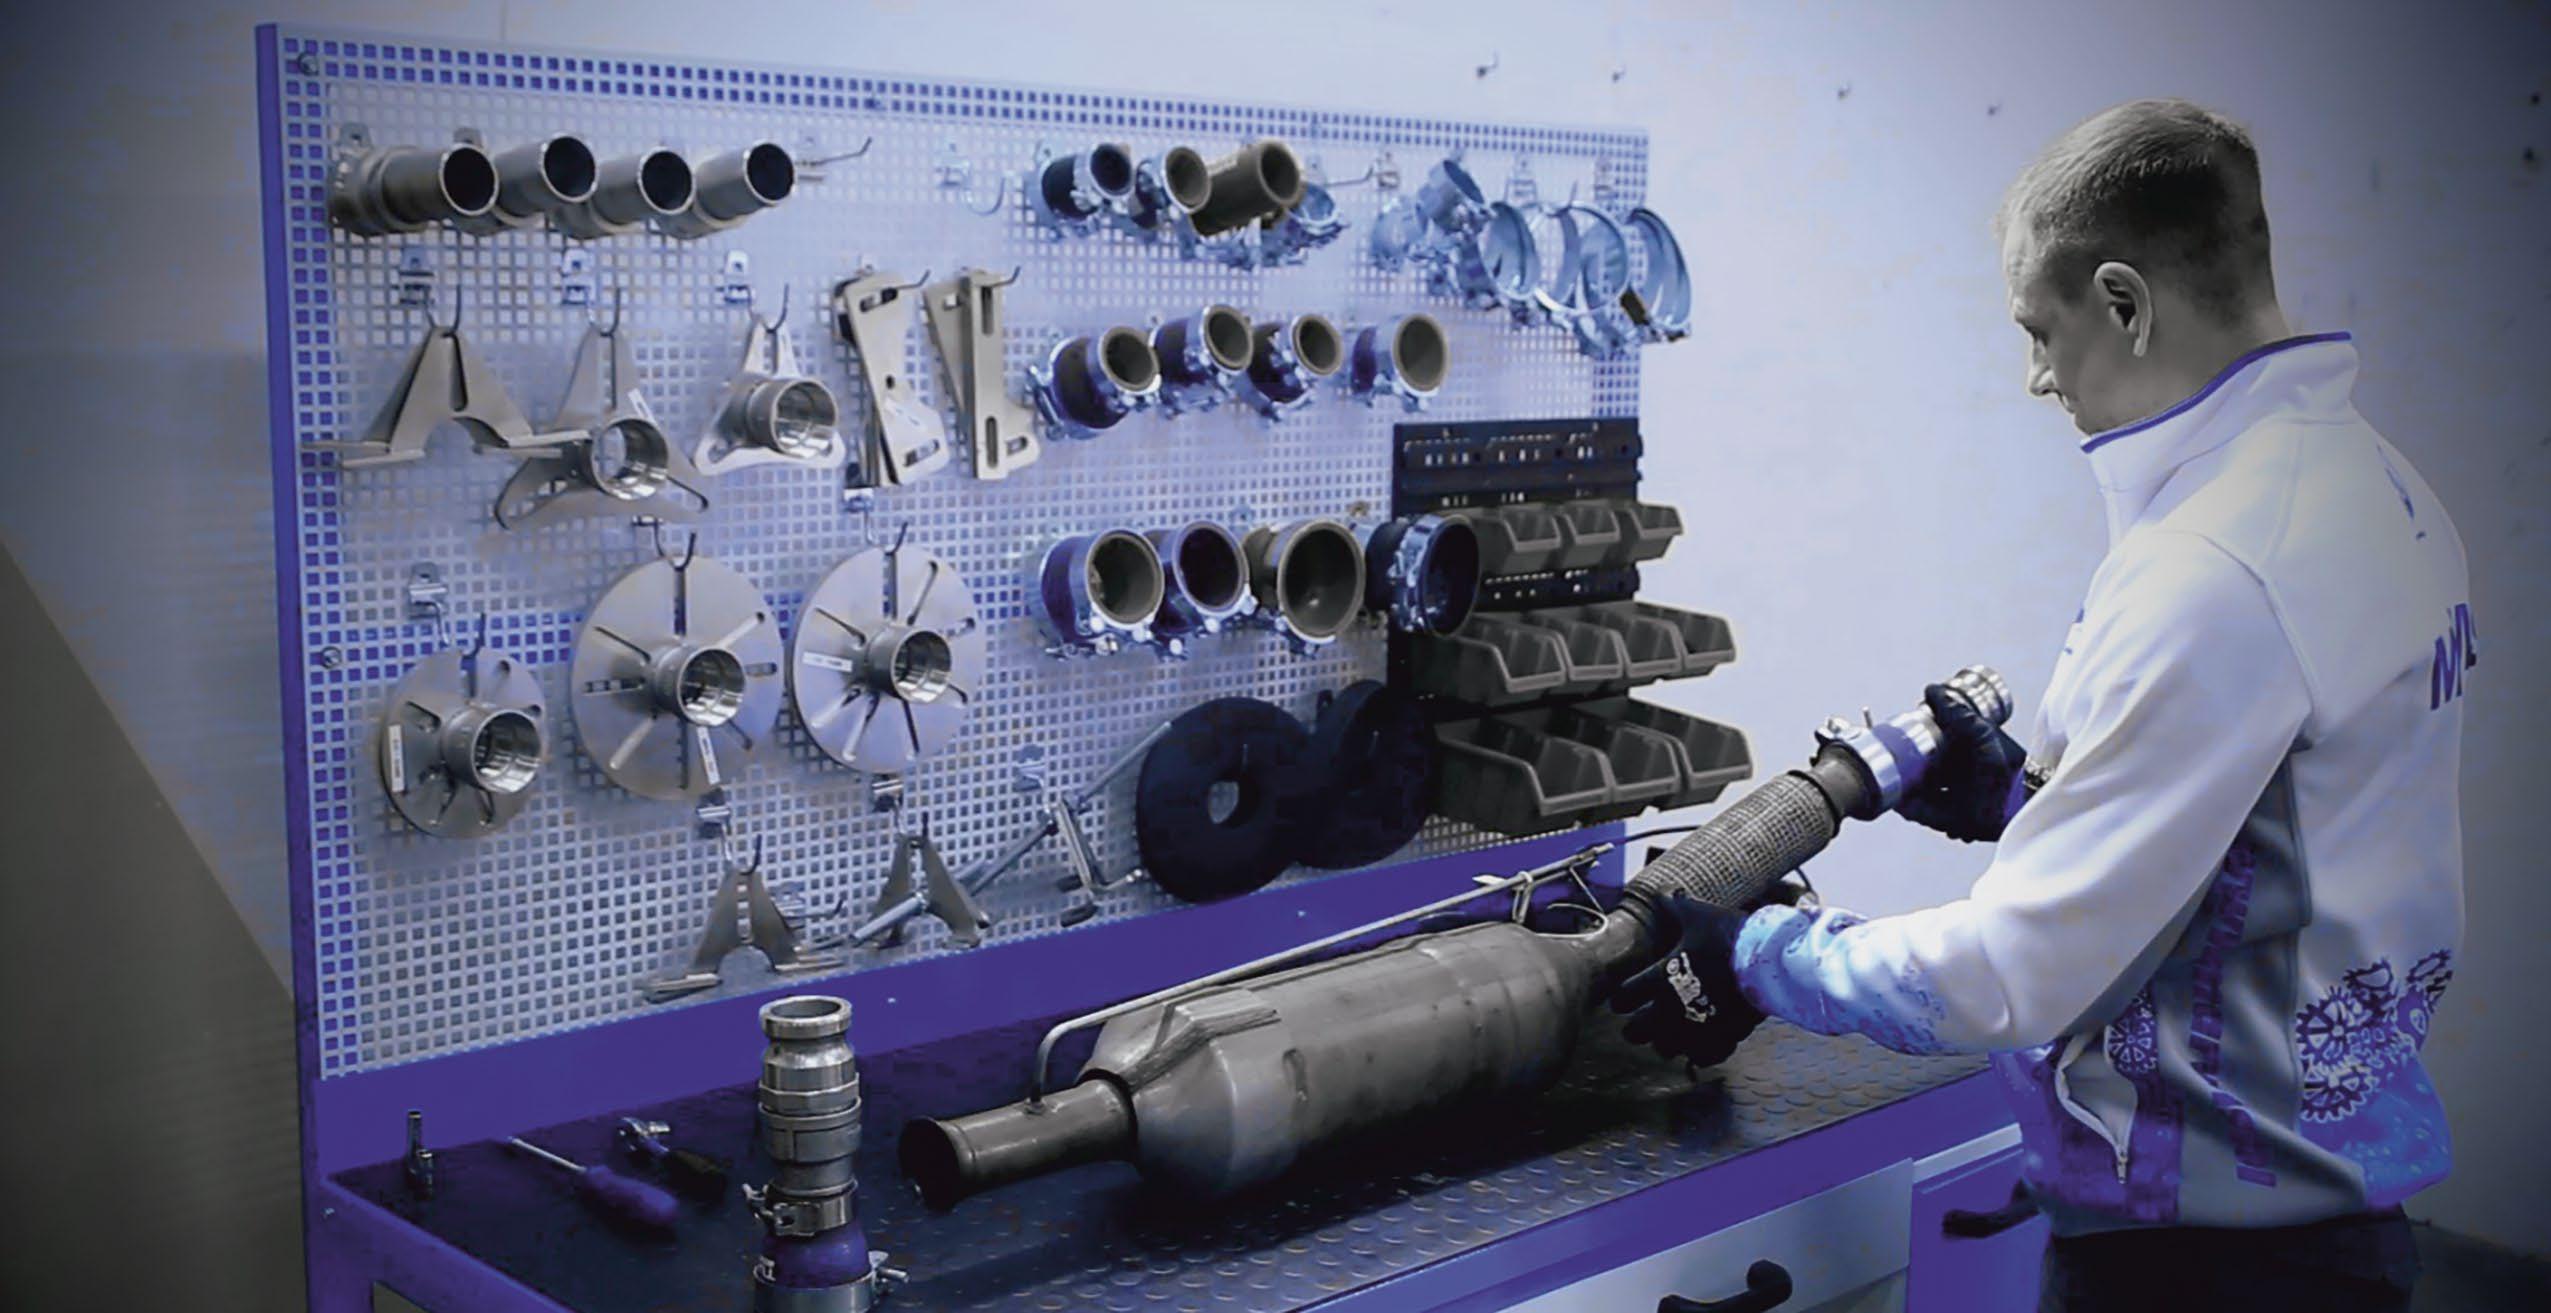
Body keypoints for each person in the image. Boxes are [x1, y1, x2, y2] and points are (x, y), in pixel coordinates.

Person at [1608, 99, 2470, 1312]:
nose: (2033, 377)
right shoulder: (2375, 488)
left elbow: (2016, 970)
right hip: (2321, 1212)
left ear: (2123, 303)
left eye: (2038, 329)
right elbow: (2278, 824)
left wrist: (1756, 956)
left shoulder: (2215, 568)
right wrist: (2024, 798)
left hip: (2206, 1261)